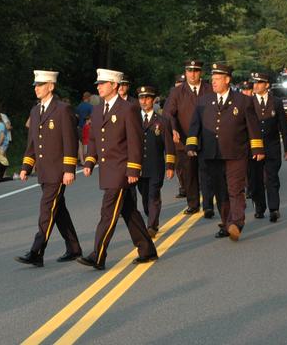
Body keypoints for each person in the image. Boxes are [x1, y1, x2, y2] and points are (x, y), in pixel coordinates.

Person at [80, 69, 157, 270]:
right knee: (129, 210)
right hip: (107, 170)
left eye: (103, 83)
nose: (98, 86)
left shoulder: (128, 109)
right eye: (98, 83)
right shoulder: (97, 111)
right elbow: (95, 139)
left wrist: (133, 169)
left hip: (121, 170)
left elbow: (135, 140)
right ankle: (147, 249)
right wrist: (89, 161)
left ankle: (98, 255)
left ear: (114, 85)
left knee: (108, 212)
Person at [186, 63, 264, 241]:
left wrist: (258, 148)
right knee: (220, 192)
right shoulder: (204, 101)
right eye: (212, 79)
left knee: (235, 189)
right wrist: (191, 146)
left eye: (217, 79)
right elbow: (194, 126)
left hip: (236, 153)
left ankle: (236, 222)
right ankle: (227, 223)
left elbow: (253, 127)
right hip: (212, 154)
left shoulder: (243, 101)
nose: (213, 82)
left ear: (227, 80)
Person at [16, 70, 82, 267]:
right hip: (44, 171)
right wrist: (26, 166)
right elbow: (33, 142)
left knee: (47, 208)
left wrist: (69, 169)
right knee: (57, 209)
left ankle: (37, 251)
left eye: (40, 84)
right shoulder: (35, 111)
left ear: (51, 86)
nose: (36, 88)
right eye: (35, 85)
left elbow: (70, 140)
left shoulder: (63, 109)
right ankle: (74, 247)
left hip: (58, 171)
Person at [163, 60, 213, 217]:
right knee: (189, 174)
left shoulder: (209, 88)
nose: (192, 74)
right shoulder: (177, 92)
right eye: (190, 71)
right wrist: (173, 129)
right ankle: (193, 204)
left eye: (196, 71)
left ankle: (208, 205)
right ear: (185, 73)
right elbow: (168, 113)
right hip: (185, 140)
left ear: (200, 73)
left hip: (206, 139)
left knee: (206, 174)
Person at [249, 73, 287, 222]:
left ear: (267, 85)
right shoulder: (249, 102)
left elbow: (283, 126)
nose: (256, 85)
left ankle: (274, 209)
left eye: (259, 82)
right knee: (256, 180)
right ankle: (259, 208)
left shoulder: (277, 102)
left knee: (271, 178)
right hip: (254, 147)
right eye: (254, 83)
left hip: (272, 146)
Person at [136, 86, 175, 237]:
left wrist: (170, 166)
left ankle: (152, 225)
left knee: (153, 195)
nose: (144, 101)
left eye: (147, 98)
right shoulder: (134, 119)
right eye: (141, 98)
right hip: (138, 167)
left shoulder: (162, 121)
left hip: (156, 165)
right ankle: (150, 215)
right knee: (145, 197)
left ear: (153, 100)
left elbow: (169, 145)